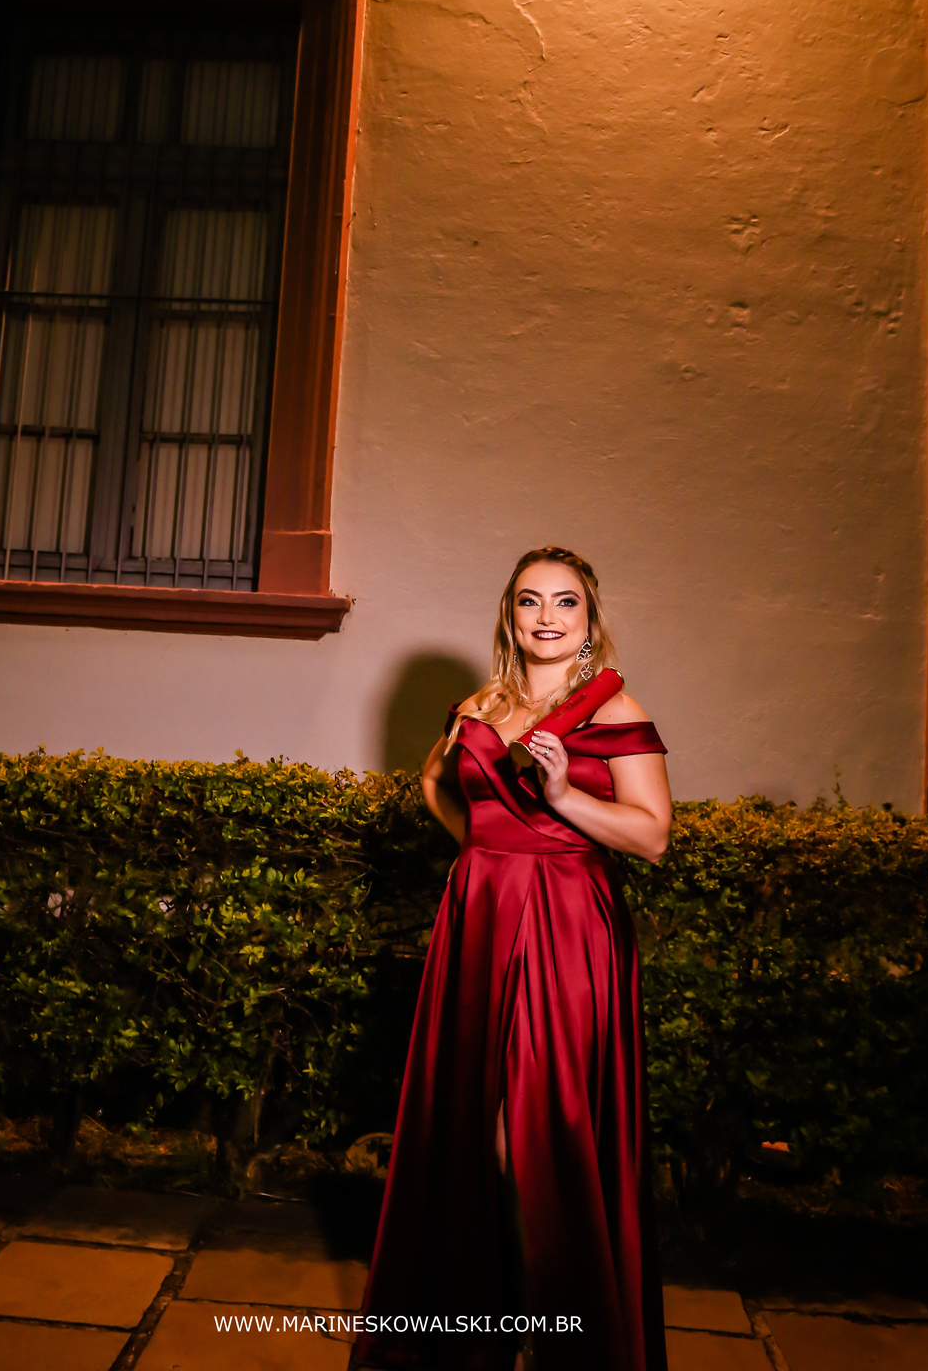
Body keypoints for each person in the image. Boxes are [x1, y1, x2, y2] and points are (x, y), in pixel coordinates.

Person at [353, 547, 672, 1371]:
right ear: (509, 615)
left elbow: (652, 836)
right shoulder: (481, 705)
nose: (547, 617)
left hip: (569, 927)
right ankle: (487, 1330)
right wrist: (484, 857)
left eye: (566, 603)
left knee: (530, 1138)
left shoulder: (612, 708)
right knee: (469, 1128)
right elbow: (434, 782)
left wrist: (562, 800)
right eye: (530, 601)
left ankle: (555, 1341)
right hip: (483, 919)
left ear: (589, 621)